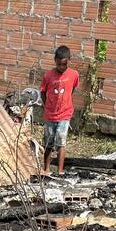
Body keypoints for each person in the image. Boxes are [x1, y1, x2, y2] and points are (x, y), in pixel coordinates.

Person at [39, 45, 78, 177]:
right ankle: (46, 169)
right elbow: (43, 92)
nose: (62, 67)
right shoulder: (48, 76)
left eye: (65, 64)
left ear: (69, 61)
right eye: (60, 64)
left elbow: (72, 89)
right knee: (49, 142)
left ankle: (60, 171)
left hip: (65, 114)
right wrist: (47, 107)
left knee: (61, 142)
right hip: (50, 115)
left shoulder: (73, 75)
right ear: (55, 60)